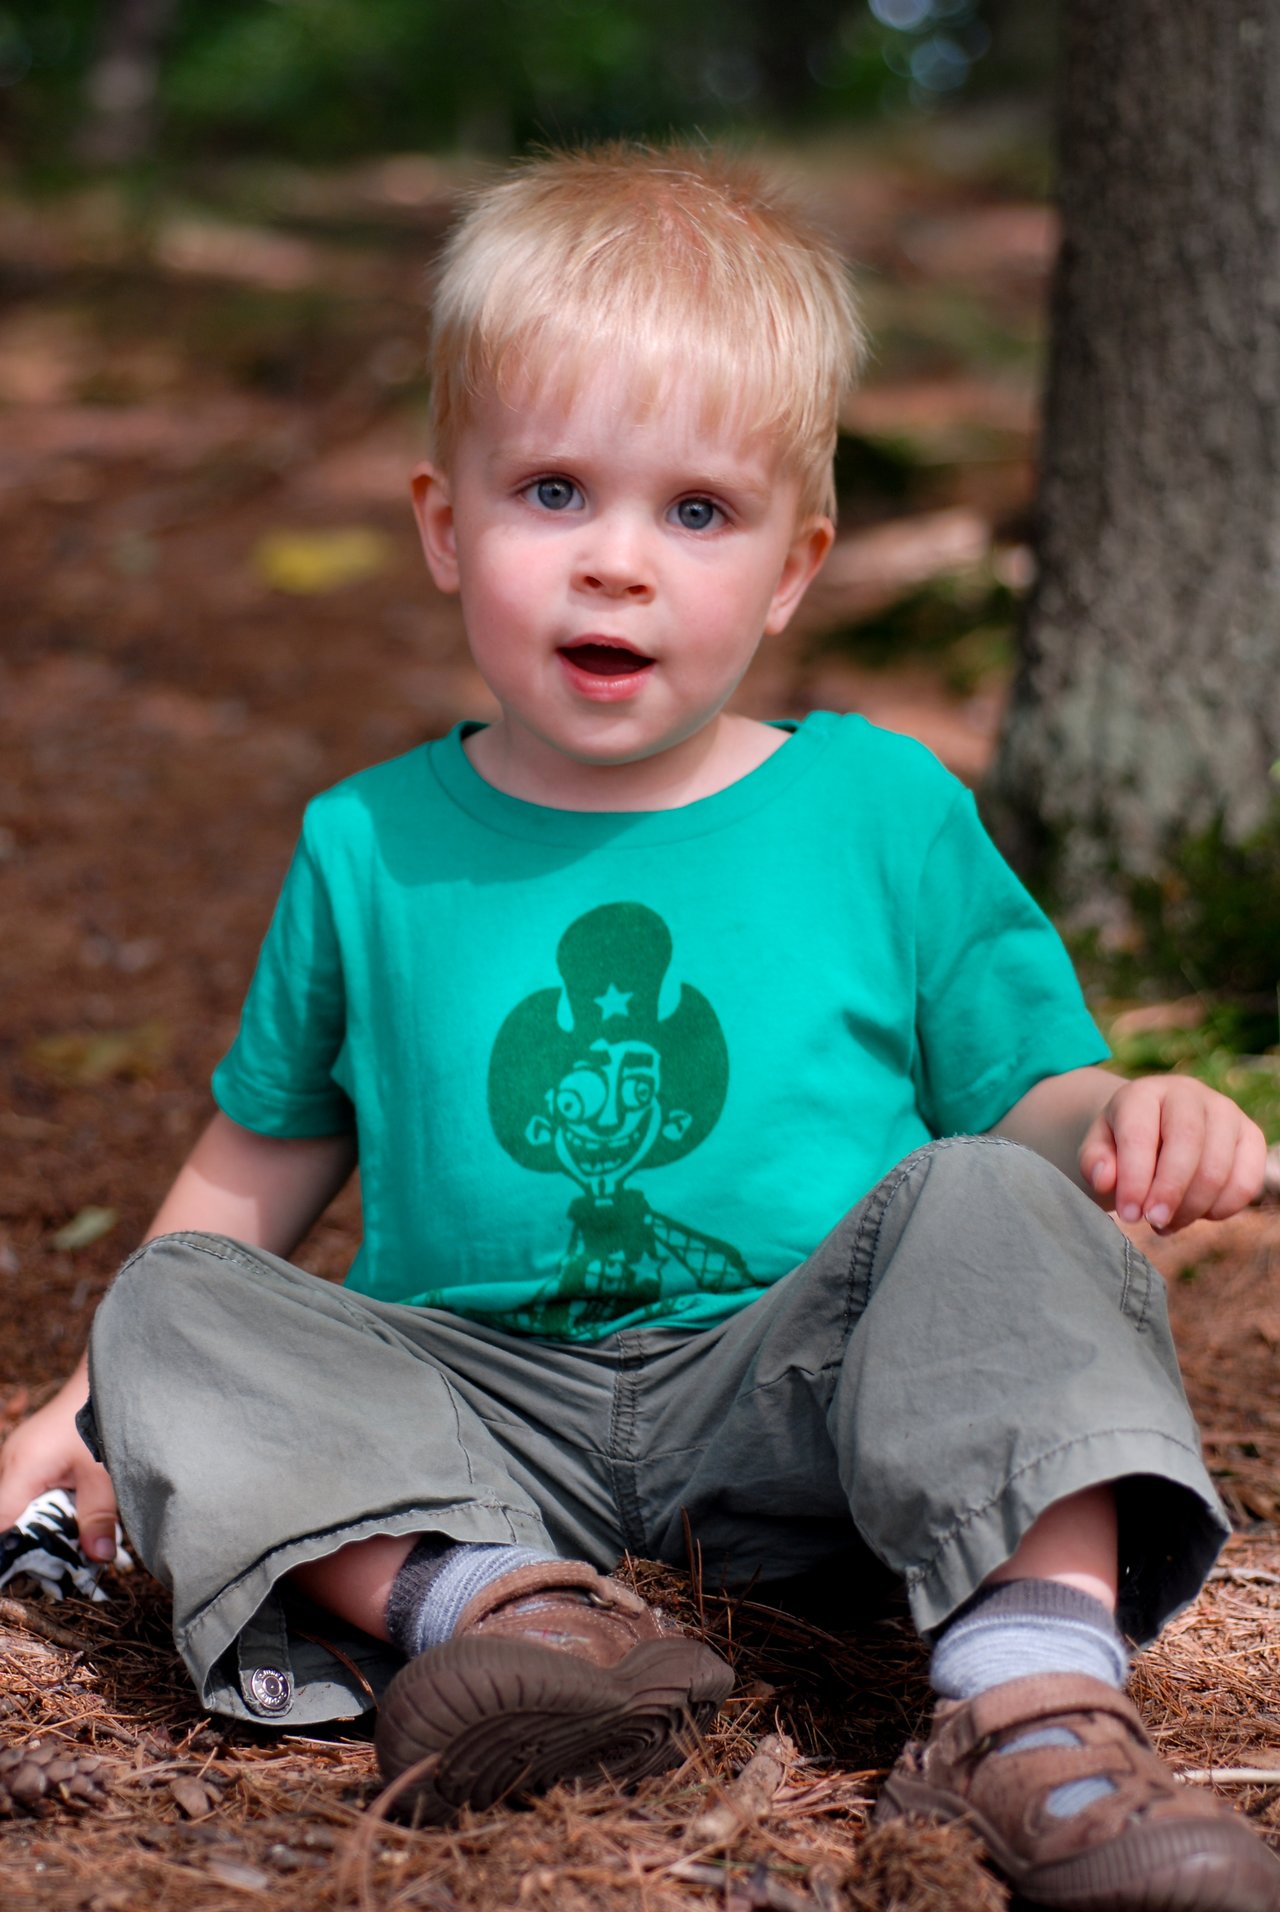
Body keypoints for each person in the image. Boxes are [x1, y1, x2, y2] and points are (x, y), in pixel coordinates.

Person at [2, 145, 1276, 1910]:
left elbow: (1033, 1099)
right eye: (551, 492)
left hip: (808, 1411)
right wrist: (84, 1404)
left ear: (789, 568)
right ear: (445, 525)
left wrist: (1125, 1117)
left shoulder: (879, 811)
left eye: (695, 512)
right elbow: (259, 1161)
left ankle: (1030, 1704)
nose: (615, 565)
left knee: (987, 1198)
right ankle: (508, 1625)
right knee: (169, 1302)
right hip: (476, 1428)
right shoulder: (368, 843)